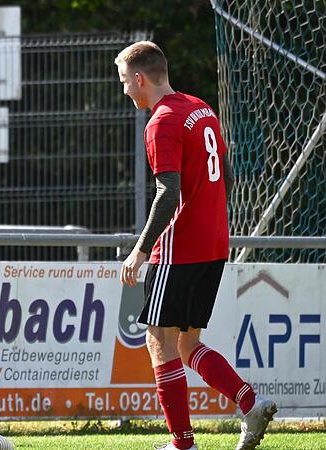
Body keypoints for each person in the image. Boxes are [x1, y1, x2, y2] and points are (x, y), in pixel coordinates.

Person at [114, 41, 276, 450]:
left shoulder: (161, 121)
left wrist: (139, 249)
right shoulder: (200, 108)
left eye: (124, 83)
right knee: (187, 345)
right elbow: (220, 167)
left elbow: (167, 193)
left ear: (140, 78)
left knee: (159, 340)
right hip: (214, 243)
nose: (125, 92)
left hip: (180, 247)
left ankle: (182, 444)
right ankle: (250, 403)